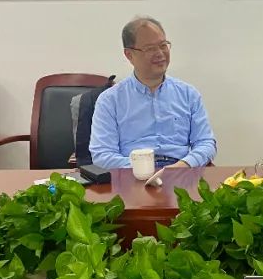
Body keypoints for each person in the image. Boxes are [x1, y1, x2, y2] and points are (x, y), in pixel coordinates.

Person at [89, 17, 216, 169]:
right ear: (129, 55)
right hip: (131, 174)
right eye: (150, 48)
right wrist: (145, 168)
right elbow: (102, 154)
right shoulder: (110, 100)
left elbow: (206, 143)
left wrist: (184, 165)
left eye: (163, 45)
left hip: (179, 172)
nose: (160, 53)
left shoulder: (188, 94)